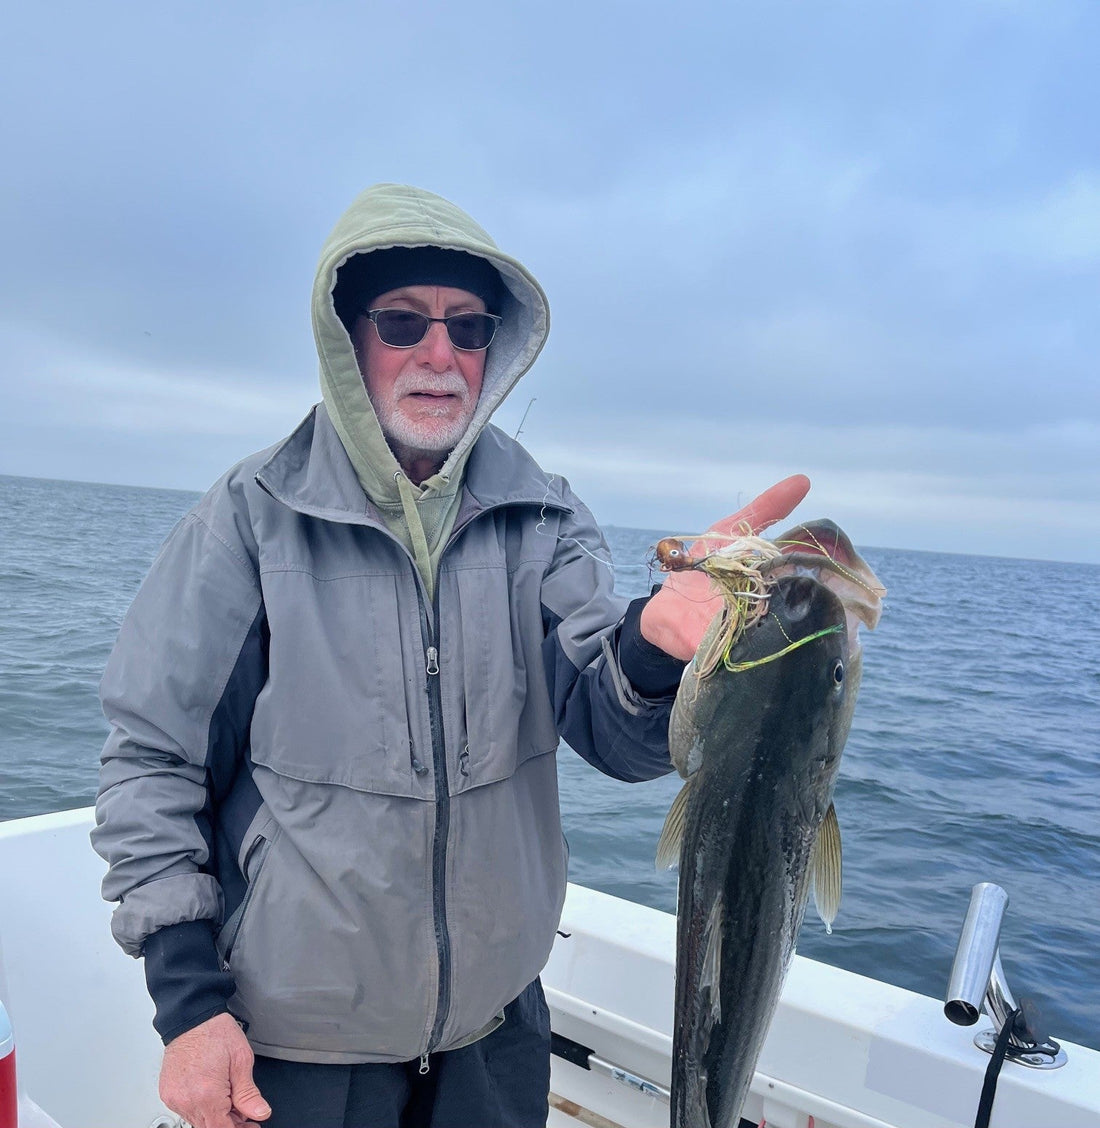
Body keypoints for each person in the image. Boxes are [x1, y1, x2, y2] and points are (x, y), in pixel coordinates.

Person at [91, 183, 809, 1128]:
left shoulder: (544, 516)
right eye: (403, 323)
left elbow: (618, 736)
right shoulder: (249, 519)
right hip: (295, 1053)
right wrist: (189, 1007)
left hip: (494, 1039)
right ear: (347, 341)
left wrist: (652, 650)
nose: (440, 355)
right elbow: (153, 759)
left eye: (468, 329)